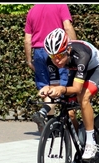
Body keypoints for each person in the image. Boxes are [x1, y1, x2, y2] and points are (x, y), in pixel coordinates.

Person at [39, 28, 99, 160]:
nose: (56, 61)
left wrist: (62, 89)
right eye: (52, 57)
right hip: (76, 69)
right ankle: (80, 144)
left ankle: (91, 142)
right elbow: (56, 89)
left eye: (60, 56)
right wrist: (48, 89)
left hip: (96, 68)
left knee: (83, 97)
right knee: (69, 111)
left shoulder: (81, 54)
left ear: (68, 50)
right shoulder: (53, 60)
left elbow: (77, 89)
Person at [24, 4, 77, 133]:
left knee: (47, 89)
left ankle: (49, 124)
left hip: (38, 52)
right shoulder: (60, 5)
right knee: (62, 86)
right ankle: (67, 122)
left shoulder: (32, 10)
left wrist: (29, 60)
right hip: (57, 50)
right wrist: (76, 47)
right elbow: (67, 26)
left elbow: (27, 40)